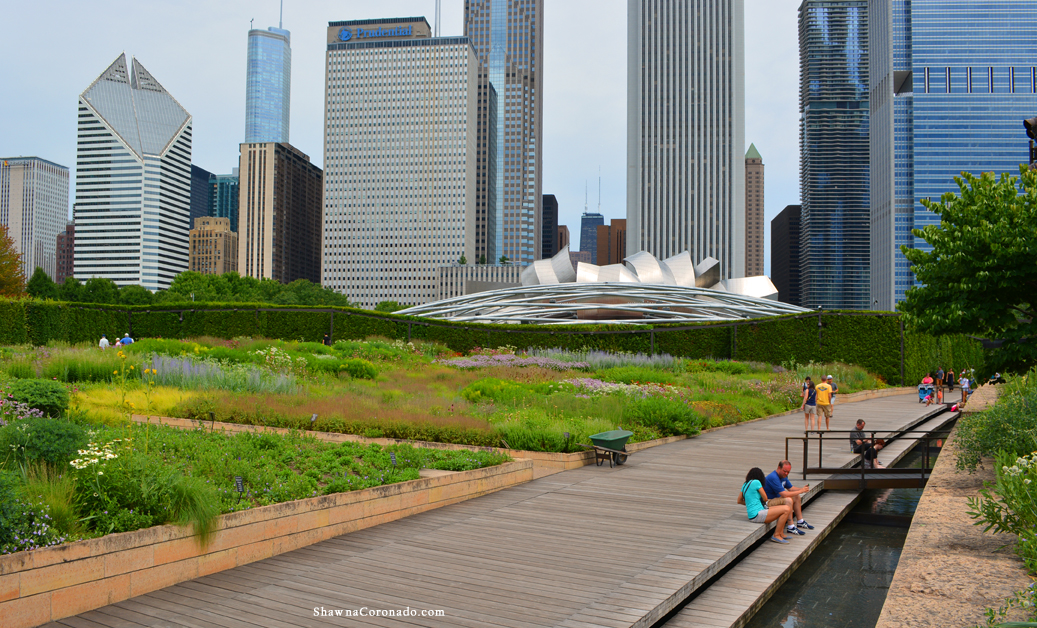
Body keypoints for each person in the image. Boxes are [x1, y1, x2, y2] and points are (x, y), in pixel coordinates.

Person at [739, 467, 793, 544]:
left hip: (753, 514)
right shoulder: (756, 482)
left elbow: (739, 500)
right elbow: (765, 498)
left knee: (783, 508)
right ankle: (776, 535)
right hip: (757, 514)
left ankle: (781, 534)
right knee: (786, 509)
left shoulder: (745, 484)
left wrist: (750, 504)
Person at [764, 460, 814, 536]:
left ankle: (800, 521)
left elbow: (791, 488)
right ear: (779, 468)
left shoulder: (783, 476)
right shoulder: (773, 477)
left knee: (796, 496)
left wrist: (802, 489)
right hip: (768, 502)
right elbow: (784, 494)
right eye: (784, 471)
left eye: (788, 472)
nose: (786, 473)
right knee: (788, 500)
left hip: (777, 499)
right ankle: (790, 526)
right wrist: (801, 491)